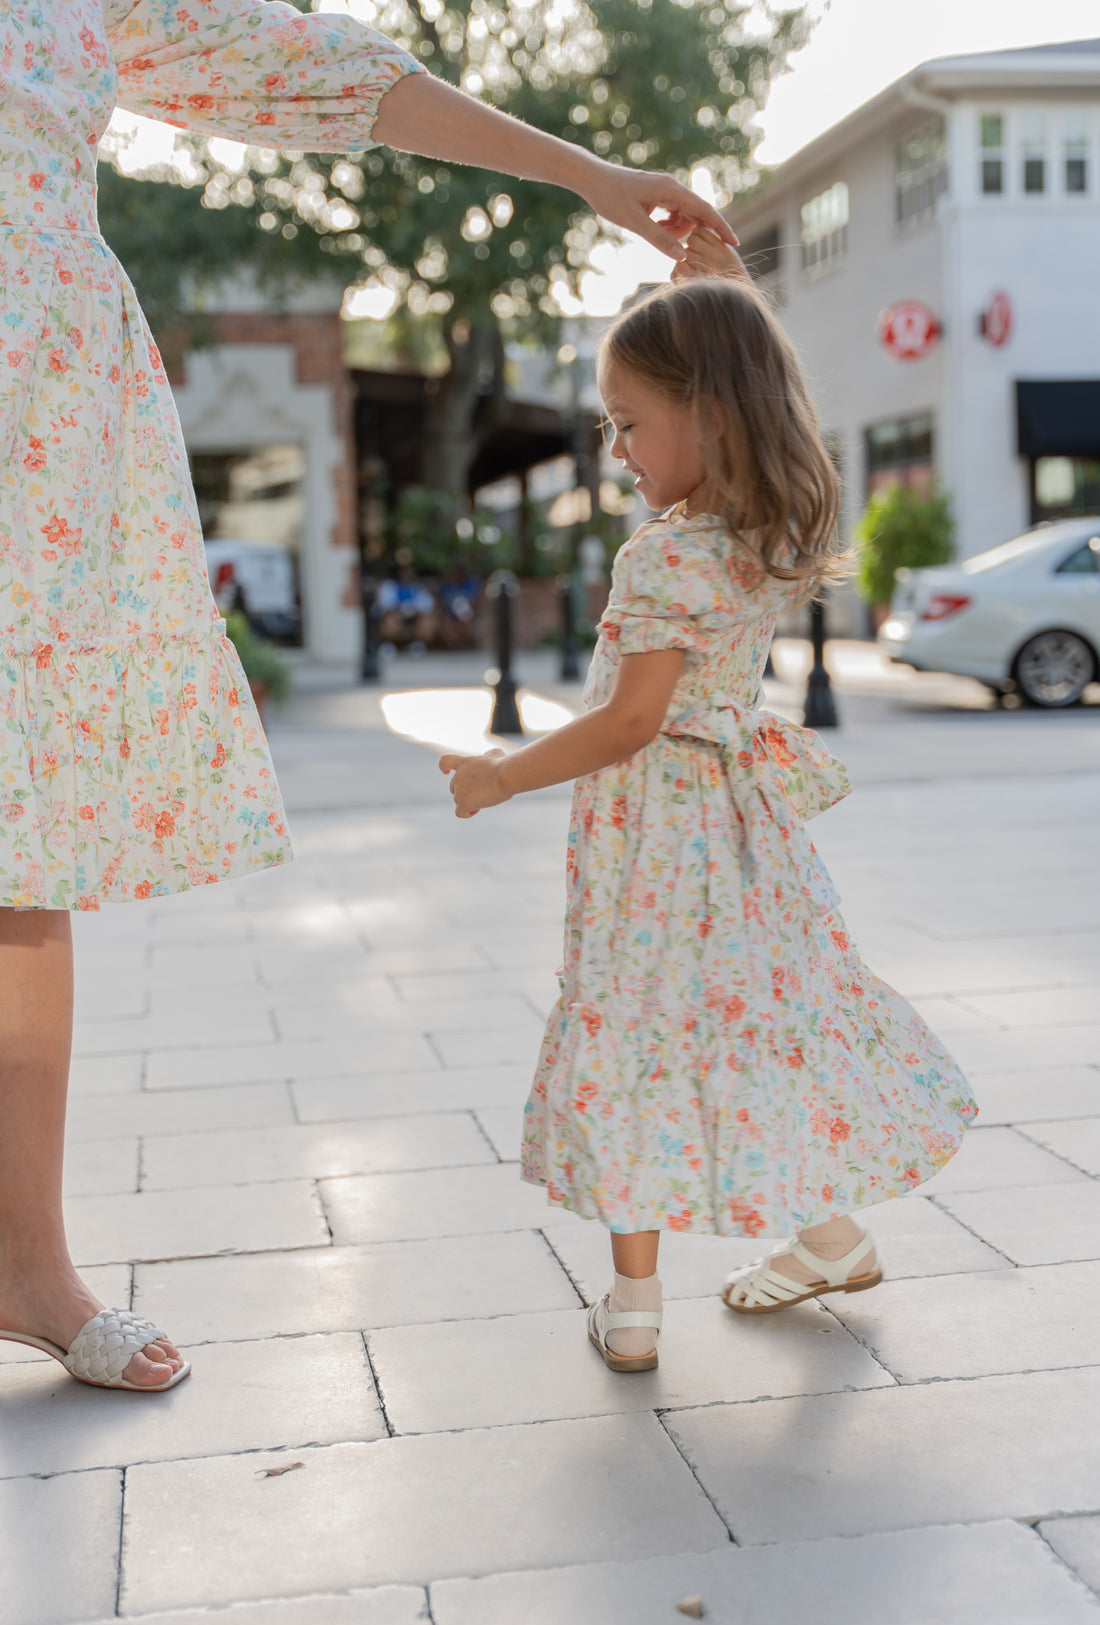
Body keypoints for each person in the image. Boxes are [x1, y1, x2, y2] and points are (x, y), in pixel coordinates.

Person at [0, 1, 735, 1393]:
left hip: (42, 425)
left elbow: (313, 68)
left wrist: (583, 171)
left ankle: (24, 1260)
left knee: (23, 842)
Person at [441, 240, 978, 1373]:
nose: (615, 445)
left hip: (656, 839)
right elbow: (743, 365)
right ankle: (828, 1238)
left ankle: (632, 1309)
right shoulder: (762, 538)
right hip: (737, 839)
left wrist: (501, 773)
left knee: (633, 1028)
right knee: (744, 1030)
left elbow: (632, 721)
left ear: (713, 416)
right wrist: (724, 283)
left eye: (630, 421)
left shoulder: (664, 560)